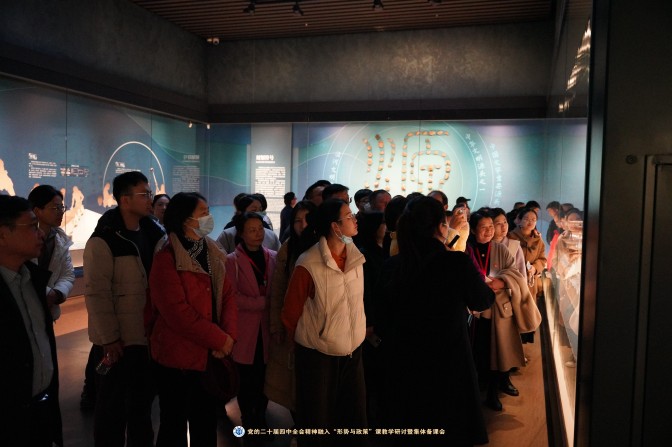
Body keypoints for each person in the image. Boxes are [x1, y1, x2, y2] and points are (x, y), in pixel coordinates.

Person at [374, 197, 494, 446]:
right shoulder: (455, 262)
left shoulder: (393, 265)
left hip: (403, 363)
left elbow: (382, 319)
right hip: (448, 362)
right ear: (441, 227)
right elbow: (483, 299)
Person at [149, 192, 238, 447]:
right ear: (185, 219)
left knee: (205, 423)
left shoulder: (213, 252)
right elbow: (178, 314)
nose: (209, 217)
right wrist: (219, 339)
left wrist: (228, 338)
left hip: (209, 356)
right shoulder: (167, 257)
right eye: (203, 213)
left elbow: (228, 296)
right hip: (177, 358)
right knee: (173, 424)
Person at [84, 171, 166, 447]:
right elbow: (97, 294)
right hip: (118, 342)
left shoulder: (155, 234)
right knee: (112, 409)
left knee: (142, 407)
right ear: (124, 200)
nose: (150, 199)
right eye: (144, 194)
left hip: (147, 337)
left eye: (149, 193)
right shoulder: (104, 239)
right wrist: (109, 338)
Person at [282, 198, 367, 446]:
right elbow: (290, 312)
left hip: (353, 350)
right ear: (335, 226)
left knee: (352, 418)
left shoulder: (355, 257)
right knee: (318, 422)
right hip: (317, 355)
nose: (354, 219)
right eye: (349, 216)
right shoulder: (308, 263)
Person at [0, 195, 63, 447]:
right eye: (32, 226)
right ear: (3, 235)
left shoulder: (34, 281)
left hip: (41, 410)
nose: (40, 234)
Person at [465, 211, 541, 412]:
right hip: (475, 311)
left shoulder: (500, 248)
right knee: (478, 352)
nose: (489, 231)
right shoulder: (466, 249)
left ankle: (494, 392)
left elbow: (514, 273)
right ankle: (476, 394)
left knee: (498, 353)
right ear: (473, 230)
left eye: (492, 226)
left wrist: (501, 281)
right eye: (484, 227)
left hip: (499, 311)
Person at [226, 212, 277, 433]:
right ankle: (248, 420)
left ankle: (261, 418)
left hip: (267, 329)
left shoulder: (273, 257)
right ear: (241, 233)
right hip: (245, 331)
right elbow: (231, 297)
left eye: (260, 229)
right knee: (247, 380)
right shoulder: (231, 261)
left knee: (266, 378)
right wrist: (262, 303)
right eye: (252, 230)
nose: (258, 234)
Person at [266, 200, 316, 417]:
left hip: (318, 326)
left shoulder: (325, 246)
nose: (303, 225)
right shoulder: (288, 248)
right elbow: (277, 290)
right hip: (293, 324)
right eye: (297, 221)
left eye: (308, 220)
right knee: (293, 379)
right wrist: (277, 325)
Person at [352, 210, 386, 427]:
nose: (386, 226)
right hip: (372, 322)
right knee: (371, 372)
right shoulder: (365, 254)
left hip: (382, 318)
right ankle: (369, 418)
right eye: (382, 223)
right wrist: (370, 322)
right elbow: (366, 293)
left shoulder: (383, 250)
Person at [28, 184, 75, 321]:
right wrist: (47, 294)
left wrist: (56, 294)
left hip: (49, 311)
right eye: (55, 208)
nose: (61, 212)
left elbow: (67, 275)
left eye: (62, 207)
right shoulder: (22, 239)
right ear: (37, 211)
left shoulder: (60, 239)